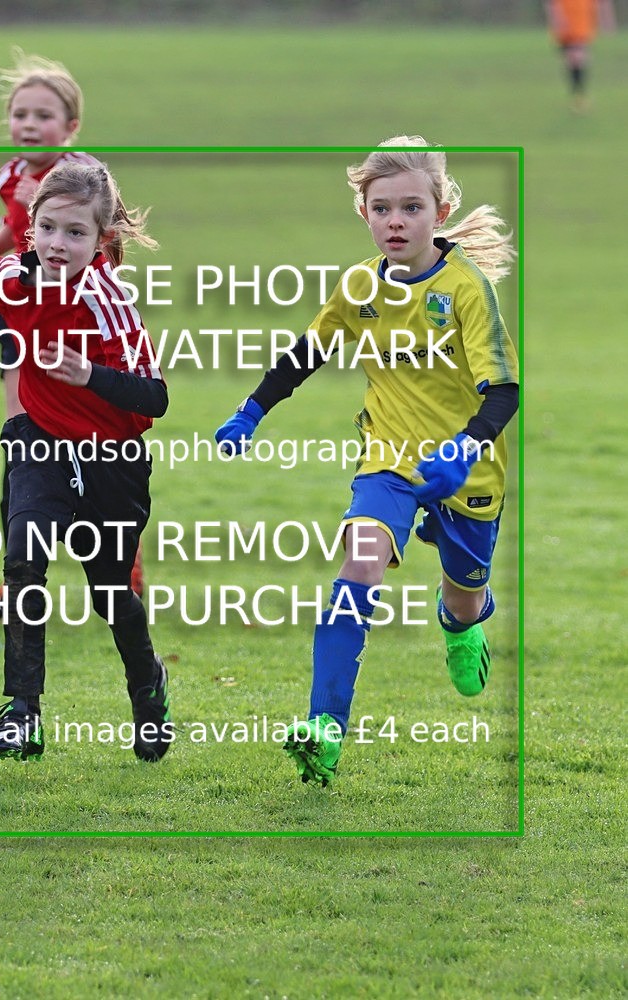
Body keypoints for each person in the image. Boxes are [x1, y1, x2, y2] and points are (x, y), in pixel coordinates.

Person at [215, 137, 519, 787]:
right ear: (364, 213)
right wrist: (251, 411)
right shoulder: (360, 285)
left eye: (412, 207)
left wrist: (465, 449)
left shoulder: (465, 289)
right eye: (382, 209)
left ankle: (461, 623)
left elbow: (505, 391)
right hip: (387, 459)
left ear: (439, 210)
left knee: (463, 596)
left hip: (468, 471)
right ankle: (325, 728)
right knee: (360, 560)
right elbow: (306, 353)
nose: (396, 221)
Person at [0, 161, 173, 765]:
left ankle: (149, 689)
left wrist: (89, 375)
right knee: (23, 559)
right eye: (47, 228)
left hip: (111, 460)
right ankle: (22, 714)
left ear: (102, 242)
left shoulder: (109, 301)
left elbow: (156, 397)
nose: (57, 244)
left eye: (76, 233)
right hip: (38, 438)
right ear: (32, 228)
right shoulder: (15, 274)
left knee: (110, 594)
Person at [0, 50, 146, 608]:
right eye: (20, 113)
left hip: (80, 333)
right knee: (23, 442)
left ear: (71, 127)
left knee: (99, 451)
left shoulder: (82, 177)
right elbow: (9, 242)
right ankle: (18, 575)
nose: (29, 124)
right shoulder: (9, 177)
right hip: (24, 323)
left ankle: (124, 563)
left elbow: (110, 247)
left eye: (43, 115)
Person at [545, 0, 616, 111]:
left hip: (582, 23)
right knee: (571, 60)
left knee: (578, 57)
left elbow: (603, 3)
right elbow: (551, 3)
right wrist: (557, 18)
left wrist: (606, 19)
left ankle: (580, 96)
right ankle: (577, 94)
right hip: (565, 25)